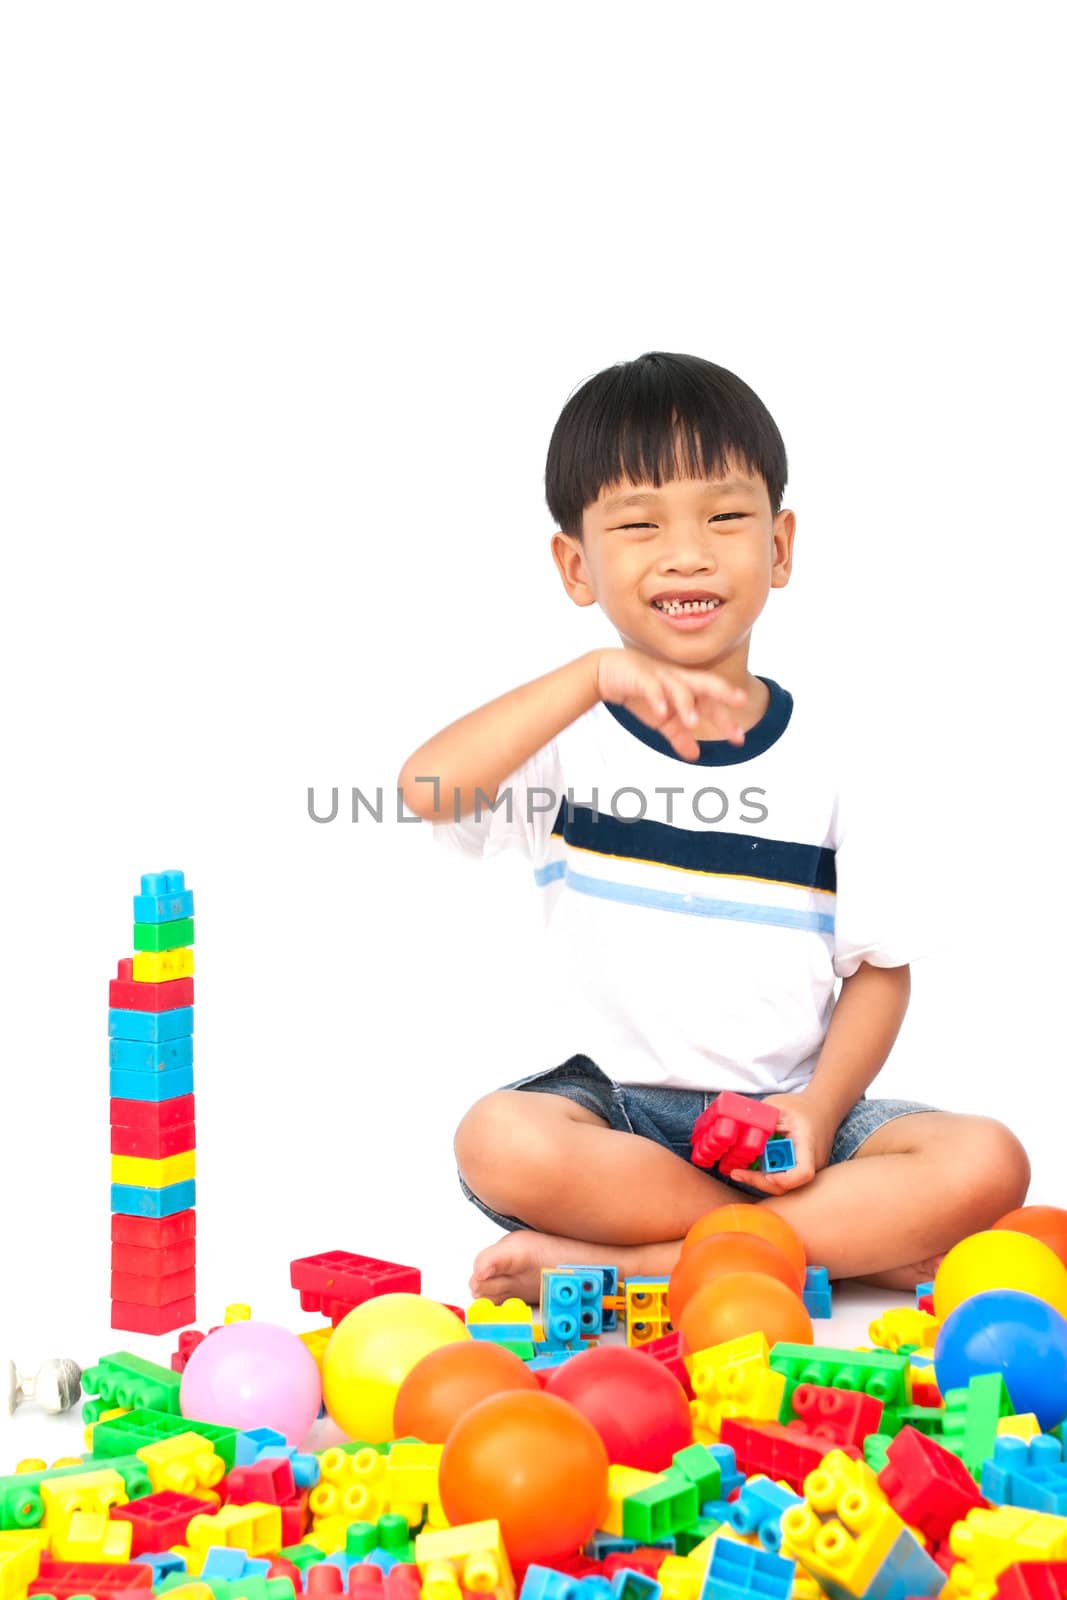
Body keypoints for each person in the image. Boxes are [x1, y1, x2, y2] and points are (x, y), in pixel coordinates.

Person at [398, 350, 1030, 1306]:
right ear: (576, 565)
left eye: (725, 517)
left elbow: (878, 974)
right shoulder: (563, 742)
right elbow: (425, 788)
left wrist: (817, 1114)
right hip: (614, 1127)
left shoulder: (841, 758)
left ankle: (640, 1267)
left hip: (792, 1131)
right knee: (496, 1140)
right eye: (639, 525)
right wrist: (588, 678)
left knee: (986, 1160)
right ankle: (820, 1245)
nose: (687, 552)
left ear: (779, 547)